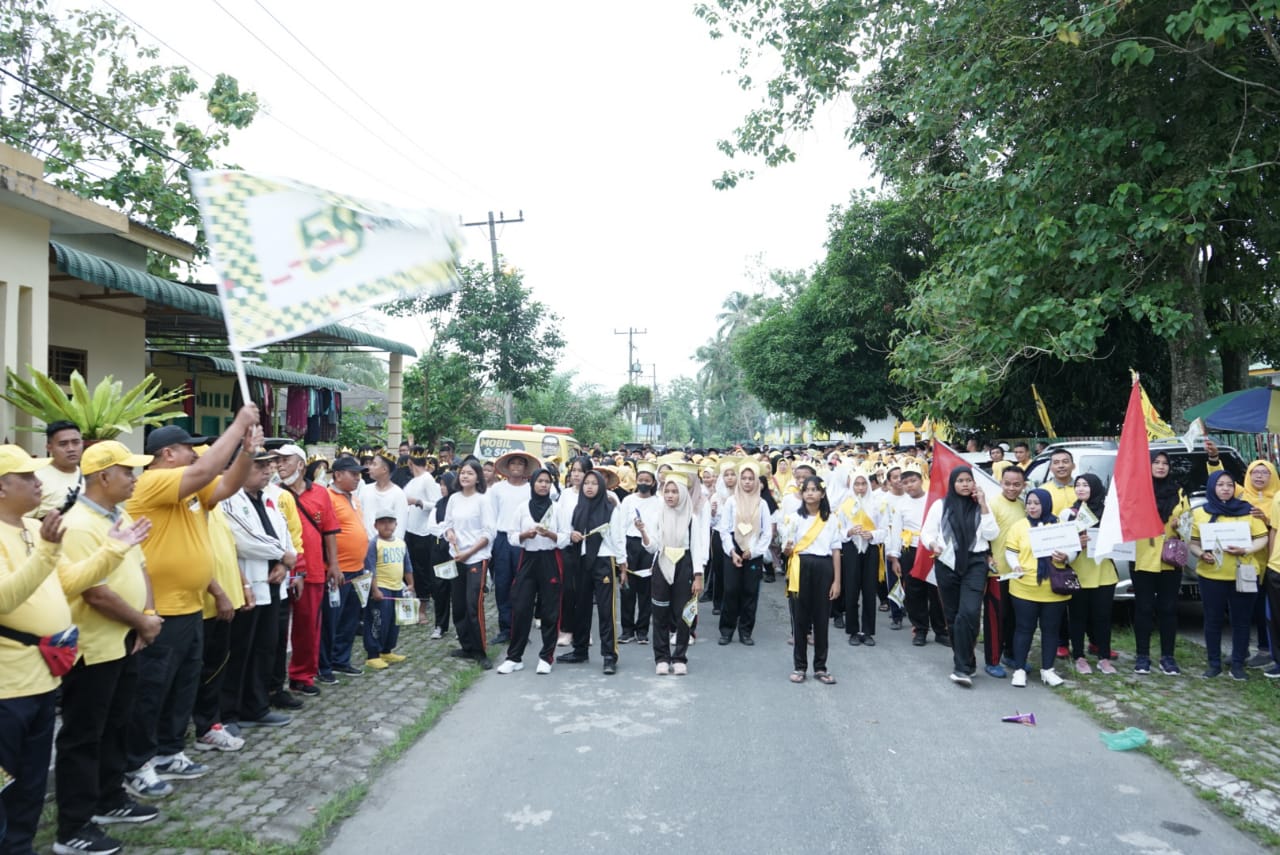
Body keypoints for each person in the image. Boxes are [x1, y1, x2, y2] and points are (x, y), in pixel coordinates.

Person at [0, 444, 149, 855]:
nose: (38, 482)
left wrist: (113, 549)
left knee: (30, 780)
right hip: (8, 683)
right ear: (1, 488)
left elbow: (67, 583)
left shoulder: (34, 527)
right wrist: (48, 552)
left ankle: (22, 844)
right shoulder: (39, 533)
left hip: (43, 675)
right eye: (28, 477)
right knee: (7, 779)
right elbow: (5, 599)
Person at [123, 409, 260, 799]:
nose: (196, 453)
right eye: (189, 448)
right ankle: (138, 761)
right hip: (159, 609)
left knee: (182, 685)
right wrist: (238, 426)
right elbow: (204, 474)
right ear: (168, 454)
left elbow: (223, 487)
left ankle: (169, 750)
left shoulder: (187, 487)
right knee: (151, 689)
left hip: (190, 605)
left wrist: (246, 453)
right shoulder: (153, 482)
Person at [53, 442, 162, 855]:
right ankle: (73, 826)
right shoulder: (78, 524)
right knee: (83, 736)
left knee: (116, 725)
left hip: (124, 640)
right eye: (127, 472)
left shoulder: (120, 514)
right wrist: (141, 622)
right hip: (92, 646)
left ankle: (108, 797)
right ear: (103, 477)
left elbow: (139, 568)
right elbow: (94, 593)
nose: (135, 479)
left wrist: (147, 614)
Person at [218, 451, 293, 728]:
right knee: (239, 651)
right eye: (260, 466)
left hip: (273, 582)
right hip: (246, 585)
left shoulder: (269, 497)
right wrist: (282, 554)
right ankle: (229, 712)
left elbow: (283, 531)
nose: (268, 470)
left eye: (268, 465)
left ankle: (256, 706)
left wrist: (285, 563)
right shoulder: (229, 498)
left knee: (265, 648)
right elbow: (243, 539)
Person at [922, 466, 999, 687]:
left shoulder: (981, 506)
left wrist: (983, 503)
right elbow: (927, 532)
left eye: (969, 480)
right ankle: (966, 662)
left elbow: (992, 533)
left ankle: (961, 667)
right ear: (953, 483)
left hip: (975, 562)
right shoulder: (941, 505)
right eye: (960, 481)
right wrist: (933, 543)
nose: (965, 484)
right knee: (954, 615)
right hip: (947, 562)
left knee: (970, 612)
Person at [276, 446, 341, 695]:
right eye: (278, 461)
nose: (280, 465)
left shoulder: (321, 494)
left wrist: (333, 565)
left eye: (285, 460)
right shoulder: (273, 493)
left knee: (307, 625)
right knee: (277, 628)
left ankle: (302, 675)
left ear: (301, 464)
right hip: (281, 569)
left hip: (313, 568)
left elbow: (330, 531)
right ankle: (273, 679)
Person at [1191, 471, 1269, 680]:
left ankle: (1237, 665)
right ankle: (1214, 664)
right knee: (1213, 620)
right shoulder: (1200, 513)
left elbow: (1262, 538)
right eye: (1220, 485)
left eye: (1229, 485)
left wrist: (1246, 550)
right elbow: (1193, 543)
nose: (1225, 489)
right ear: (1212, 488)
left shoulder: (1248, 511)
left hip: (1243, 573)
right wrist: (1201, 554)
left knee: (1242, 621)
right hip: (1211, 576)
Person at [1004, 488, 1075, 687]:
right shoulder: (1019, 526)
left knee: (1050, 630)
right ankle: (1019, 669)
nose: (1032, 507)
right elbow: (1011, 552)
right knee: (1024, 629)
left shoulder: (1060, 526)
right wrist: (1014, 565)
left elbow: (1073, 551)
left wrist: (1066, 556)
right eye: (1029, 503)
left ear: (1046, 504)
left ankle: (1048, 669)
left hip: (1053, 588)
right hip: (1024, 586)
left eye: (1037, 503)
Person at [496, 468, 562, 675]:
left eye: (547, 481)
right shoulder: (523, 507)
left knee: (550, 609)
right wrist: (525, 535)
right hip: (528, 558)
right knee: (521, 607)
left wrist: (550, 534)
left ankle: (546, 657)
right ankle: (514, 657)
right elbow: (511, 536)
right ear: (532, 483)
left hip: (550, 559)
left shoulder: (557, 508)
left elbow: (566, 536)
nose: (543, 485)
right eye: (540, 481)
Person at [642, 471, 707, 675]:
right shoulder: (657, 515)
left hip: (684, 565)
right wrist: (643, 532)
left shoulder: (691, 518)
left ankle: (679, 657)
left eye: (674, 492)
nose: (670, 496)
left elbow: (697, 547)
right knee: (660, 613)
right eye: (667, 491)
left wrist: (698, 576)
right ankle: (661, 657)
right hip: (662, 564)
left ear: (682, 494)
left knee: (683, 615)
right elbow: (652, 547)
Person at [1132, 451, 1191, 676]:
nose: (1160, 466)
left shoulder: (1179, 492)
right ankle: (1142, 656)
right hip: (1143, 557)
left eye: (1165, 463)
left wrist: (1179, 526)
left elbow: (1189, 524)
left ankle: (1168, 657)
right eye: (1156, 462)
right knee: (1144, 608)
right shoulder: (1138, 490)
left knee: (1168, 609)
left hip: (1170, 558)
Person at [564, 470, 627, 674]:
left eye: (594, 483)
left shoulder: (611, 509)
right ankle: (580, 649)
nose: (589, 487)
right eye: (586, 483)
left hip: (603, 561)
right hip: (582, 561)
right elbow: (569, 532)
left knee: (605, 609)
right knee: (580, 607)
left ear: (601, 486)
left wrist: (622, 564)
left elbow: (618, 538)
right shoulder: (578, 508)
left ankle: (609, 655)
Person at [781, 476, 841, 684]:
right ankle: (800, 666)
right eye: (806, 489)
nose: (810, 493)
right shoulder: (795, 518)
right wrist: (787, 549)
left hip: (824, 568)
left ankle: (821, 666)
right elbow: (788, 549)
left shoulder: (831, 519)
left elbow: (835, 551)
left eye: (815, 489)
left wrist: (837, 581)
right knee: (800, 619)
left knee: (821, 619)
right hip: (800, 566)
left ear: (822, 494)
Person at [1061, 473, 1118, 675]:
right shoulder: (1069, 513)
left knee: (1102, 618)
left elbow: (1119, 542)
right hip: (1078, 573)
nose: (1081, 489)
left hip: (1104, 572)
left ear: (1095, 487)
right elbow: (1061, 545)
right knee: (1077, 617)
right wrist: (1078, 543)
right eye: (1078, 485)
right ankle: (1079, 656)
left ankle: (1104, 657)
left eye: (1086, 485)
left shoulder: (1109, 514)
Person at [321, 456, 372, 679]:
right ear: (338, 475)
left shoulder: (354, 498)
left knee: (350, 619)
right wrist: (334, 565)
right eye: (353, 474)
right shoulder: (327, 497)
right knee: (331, 620)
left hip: (357, 569)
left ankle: (341, 660)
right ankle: (324, 664)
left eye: (359, 474)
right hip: (337, 569)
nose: (358, 478)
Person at [442, 459, 495, 669]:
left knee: (474, 604)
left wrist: (469, 552)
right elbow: (447, 524)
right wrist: (450, 534)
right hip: (456, 558)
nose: (465, 476)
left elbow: (489, 532)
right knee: (460, 604)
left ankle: (480, 650)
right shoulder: (454, 499)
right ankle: (466, 645)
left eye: (470, 473)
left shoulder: (483, 501)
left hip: (476, 557)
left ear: (478, 477)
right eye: (462, 473)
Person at [889, 467, 948, 646]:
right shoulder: (901, 505)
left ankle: (940, 629)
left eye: (912, 481)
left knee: (936, 591)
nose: (909, 486)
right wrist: (895, 557)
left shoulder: (934, 500)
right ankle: (920, 629)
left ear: (921, 480)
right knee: (914, 591)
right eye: (905, 483)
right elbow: (896, 531)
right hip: (911, 548)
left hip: (932, 549)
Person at [718, 460, 771, 646]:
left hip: (753, 551)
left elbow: (767, 532)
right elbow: (724, 530)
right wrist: (732, 551)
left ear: (756, 481)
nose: (747, 482)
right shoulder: (731, 502)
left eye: (751, 479)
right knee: (731, 590)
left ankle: (746, 631)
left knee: (750, 591)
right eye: (744, 478)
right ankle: (726, 630)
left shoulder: (762, 504)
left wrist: (754, 552)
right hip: (733, 549)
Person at [487, 452, 535, 646]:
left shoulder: (531, 489)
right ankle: (505, 628)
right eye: (512, 463)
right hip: (502, 538)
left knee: (523, 586)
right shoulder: (497, 489)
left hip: (524, 540)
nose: (516, 466)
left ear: (525, 468)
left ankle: (521, 629)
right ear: (507, 468)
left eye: (520, 464)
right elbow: (491, 516)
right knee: (502, 584)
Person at [837, 469, 886, 647]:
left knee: (869, 590)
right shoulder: (845, 505)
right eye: (857, 484)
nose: (860, 487)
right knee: (851, 590)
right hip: (851, 549)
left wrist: (872, 534)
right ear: (852, 485)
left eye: (863, 483)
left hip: (870, 549)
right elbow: (838, 530)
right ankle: (853, 630)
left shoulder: (876, 504)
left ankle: (867, 630)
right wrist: (849, 532)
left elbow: (883, 530)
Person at [985, 465, 1026, 677]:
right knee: (995, 619)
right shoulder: (992, 505)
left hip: (1019, 572)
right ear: (1001, 482)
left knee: (1014, 618)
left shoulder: (1023, 506)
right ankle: (992, 660)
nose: (1011, 488)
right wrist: (987, 556)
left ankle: (1010, 654)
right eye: (1007, 483)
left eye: (1016, 484)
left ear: (1023, 486)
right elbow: (983, 533)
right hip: (997, 572)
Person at [361, 515, 414, 670]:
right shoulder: (374, 544)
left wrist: (410, 584)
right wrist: (375, 589)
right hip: (381, 588)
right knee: (378, 621)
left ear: (396, 524)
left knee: (394, 622)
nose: (386, 526)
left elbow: (407, 565)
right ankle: (373, 654)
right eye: (382, 523)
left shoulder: (401, 543)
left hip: (398, 588)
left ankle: (387, 650)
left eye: (390, 522)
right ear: (375, 525)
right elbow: (370, 568)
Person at [618, 464, 661, 645]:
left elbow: (659, 528)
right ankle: (627, 630)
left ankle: (642, 630)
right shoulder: (628, 500)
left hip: (649, 546)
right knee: (627, 588)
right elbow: (620, 526)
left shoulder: (659, 502)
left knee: (646, 591)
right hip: (630, 544)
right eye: (641, 480)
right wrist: (620, 554)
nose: (643, 483)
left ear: (653, 482)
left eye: (647, 480)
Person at [554, 456, 591, 650]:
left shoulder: (594, 494)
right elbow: (559, 522)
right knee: (568, 590)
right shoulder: (566, 494)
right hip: (569, 546)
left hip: (588, 549)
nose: (576, 474)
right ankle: (566, 630)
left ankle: (583, 631)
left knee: (585, 592)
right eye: (574, 470)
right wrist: (569, 535)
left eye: (581, 471)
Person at [403, 449, 442, 626]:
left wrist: (418, 502)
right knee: (410, 571)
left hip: (423, 532)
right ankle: (410, 608)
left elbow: (437, 504)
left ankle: (422, 610)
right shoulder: (412, 482)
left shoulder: (427, 480)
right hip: (409, 530)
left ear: (410, 463)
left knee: (422, 572)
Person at [422, 472, 458, 639]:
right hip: (439, 549)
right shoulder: (439, 504)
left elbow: (458, 525)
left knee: (457, 589)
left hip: (456, 550)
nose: (442, 488)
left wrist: (445, 528)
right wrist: (445, 530)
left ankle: (461, 626)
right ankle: (440, 625)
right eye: (441, 485)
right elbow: (432, 526)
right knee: (440, 588)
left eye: (445, 484)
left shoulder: (458, 502)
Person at [33, 420, 83, 519]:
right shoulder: (36, 479)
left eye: (76, 442)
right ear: (49, 448)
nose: (71, 449)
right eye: (63, 444)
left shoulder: (90, 476)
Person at [360, 452, 408, 542]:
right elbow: (359, 516)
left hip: (388, 547)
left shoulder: (398, 494)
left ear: (384, 469)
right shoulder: (365, 490)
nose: (370, 467)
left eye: (374, 464)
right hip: (364, 545)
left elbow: (400, 526)